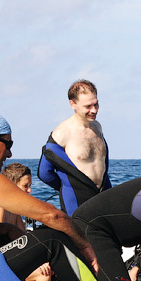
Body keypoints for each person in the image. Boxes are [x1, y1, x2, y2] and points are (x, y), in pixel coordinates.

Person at [0, 109, 111, 281]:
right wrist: (85, 246)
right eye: (8, 144)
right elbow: (52, 215)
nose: (9, 153)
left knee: (15, 237)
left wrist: (7, 229)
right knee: (52, 239)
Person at [38, 80, 111, 215]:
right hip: (77, 201)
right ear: (73, 104)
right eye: (88, 106)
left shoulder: (97, 127)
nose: (94, 110)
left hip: (103, 195)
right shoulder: (61, 134)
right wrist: (69, 185)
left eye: (96, 104)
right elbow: (44, 173)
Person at [0, 163, 53, 281]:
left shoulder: (16, 210)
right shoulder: (0, 205)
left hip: (10, 259)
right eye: (26, 186)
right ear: (12, 185)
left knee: (50, 266)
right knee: (43, 275)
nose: (30, 190)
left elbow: (24, 240)